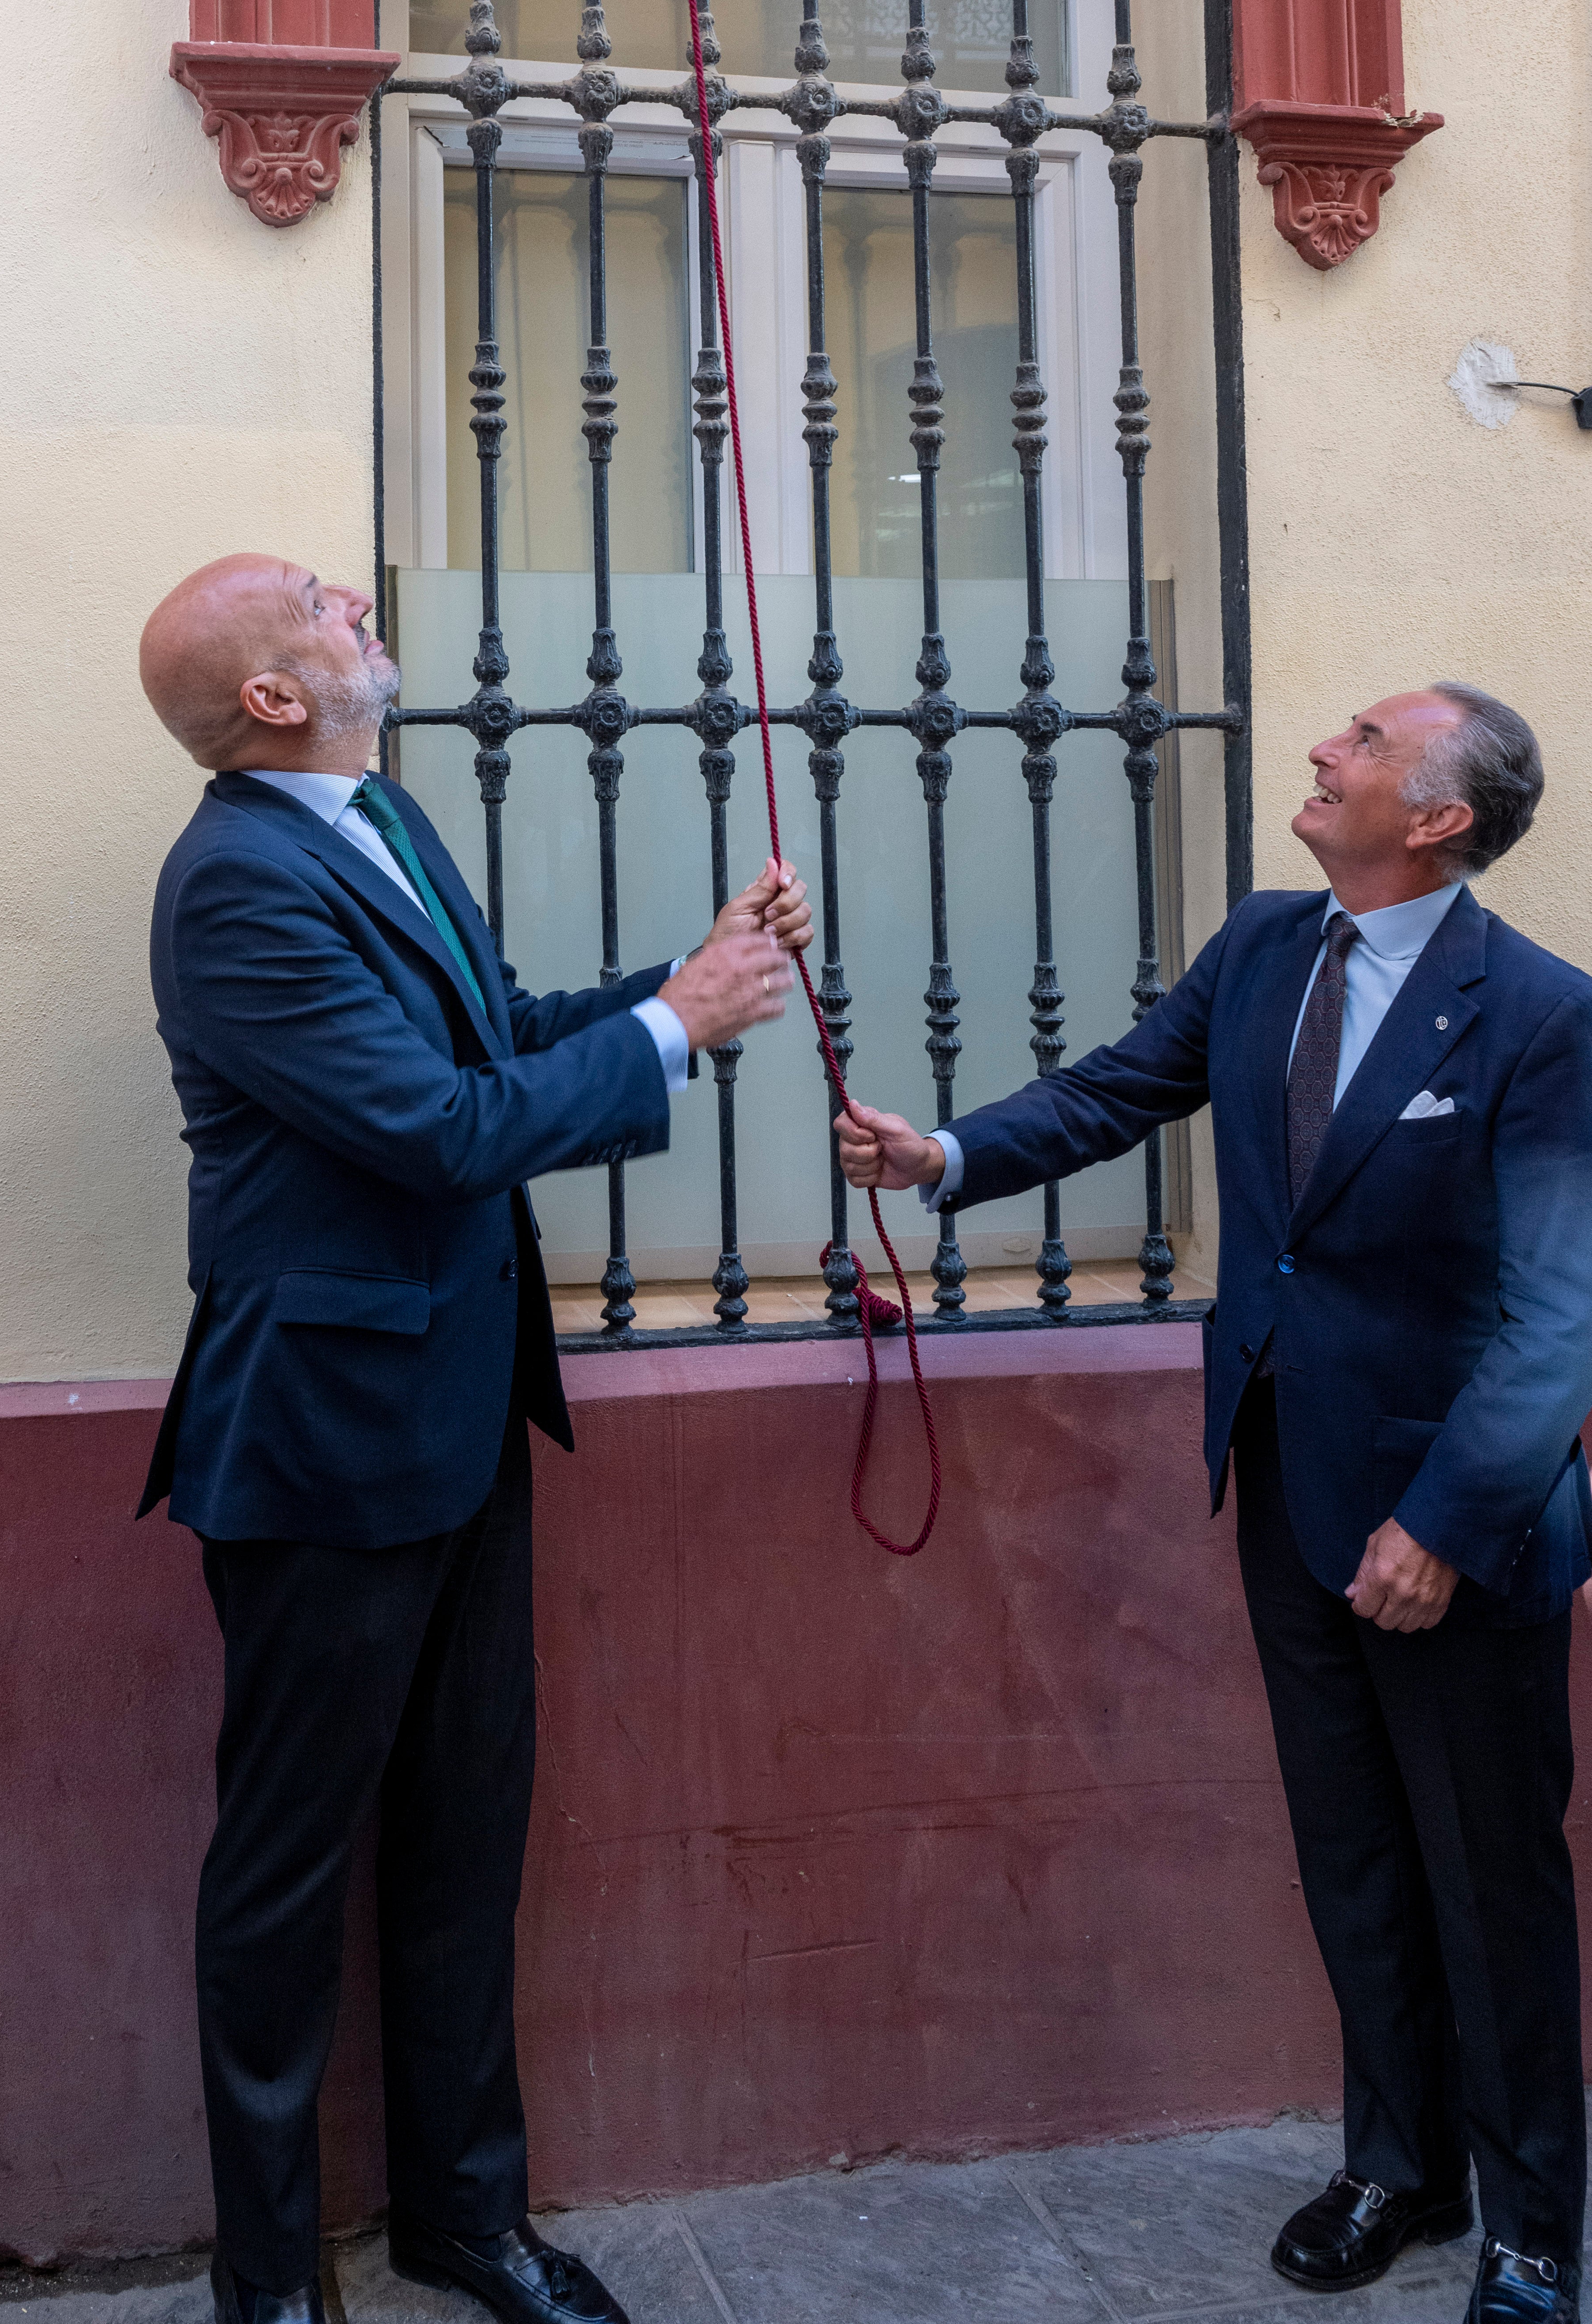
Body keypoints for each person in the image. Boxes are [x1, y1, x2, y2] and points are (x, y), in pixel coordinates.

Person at [837, 684, 1592, 2324]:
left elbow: (1559, 1314)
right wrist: (939, 1157)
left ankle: (1537, 2226)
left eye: (1369, 745)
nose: (1325, 751)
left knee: (1490, 1879)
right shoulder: (1264, 945)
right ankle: (1399, 2168)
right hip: (1282, 1480)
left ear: (1441, 818)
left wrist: (1448, 1523)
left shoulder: (1539, 1014)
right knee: (1355, 1861)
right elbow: (1117, 1090)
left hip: (1460, 1526)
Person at [137, 553, 804, 2324]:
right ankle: (271, 2281)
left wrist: (683, 985)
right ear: (272, 699)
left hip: (457, 1414)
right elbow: (437, 1130)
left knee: (463, 1829)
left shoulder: (386, 823)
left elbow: (494, 1042)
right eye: (312, 603)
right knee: (284, 1872)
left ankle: (463, 2218)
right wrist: (679, 1028)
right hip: (319, 1445)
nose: (350, 595)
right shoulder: (233, 888)